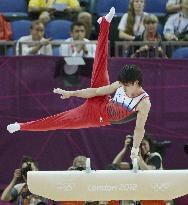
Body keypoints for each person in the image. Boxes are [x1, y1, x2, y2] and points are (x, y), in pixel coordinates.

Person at [7, 7, 151, 167]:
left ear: (136, 83)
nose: (122, 87)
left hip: (96, 117)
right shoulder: (120, 83)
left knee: (57, 121)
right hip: (101, 101)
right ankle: (105, 23)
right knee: (101, 64)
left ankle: (21, 126)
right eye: (121, 84)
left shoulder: (143, 103)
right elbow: (96, 91)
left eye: (126, 86)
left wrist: (135, 150)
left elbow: (139, 129)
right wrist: (71, 93)